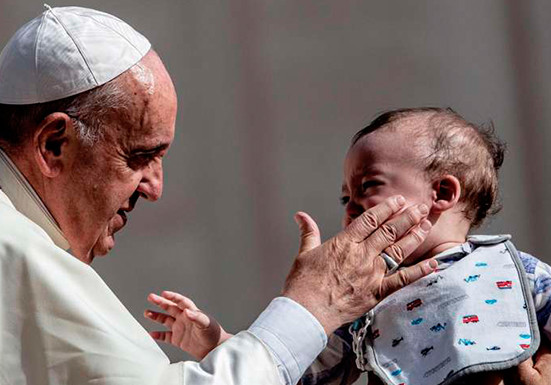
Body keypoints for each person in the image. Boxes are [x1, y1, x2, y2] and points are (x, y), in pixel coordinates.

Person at [0, 6, 438, 385]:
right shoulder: (11, 245)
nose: (155, 188)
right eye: (140, 156)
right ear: (54, 145)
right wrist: (312, 306)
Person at [148, 108, 551, 385]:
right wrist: (218, 343)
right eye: (346, 199)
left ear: (442, 192)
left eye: (369, 187)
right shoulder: (365, 300)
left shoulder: (514, 270)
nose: (353, 207)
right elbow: (303, 371)